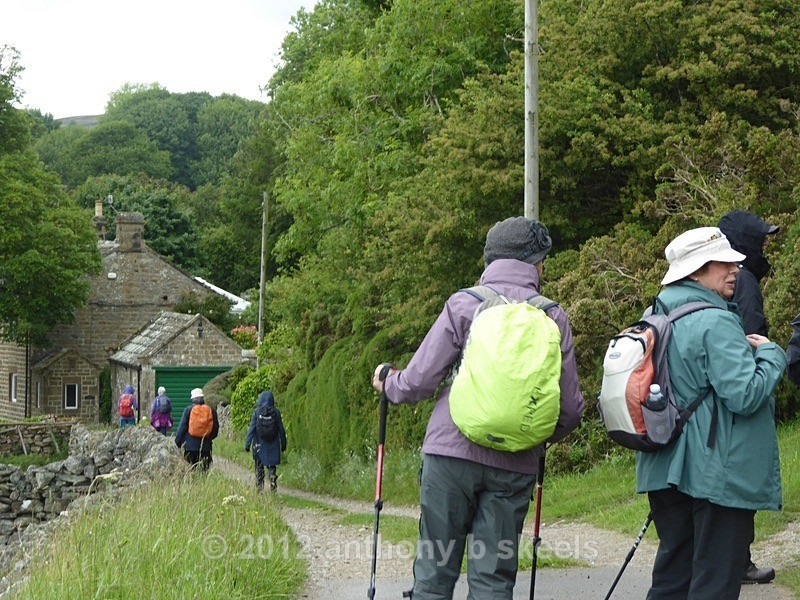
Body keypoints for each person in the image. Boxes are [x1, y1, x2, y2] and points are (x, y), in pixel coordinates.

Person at [372, 216, 584, 599]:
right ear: (538, 264)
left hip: (450, 456)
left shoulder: (465, 304)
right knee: (493, 581)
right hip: (515, 463)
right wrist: (529, 433)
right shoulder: (552, 316)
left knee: (435, 573)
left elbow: (418, 382)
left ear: (488, 260)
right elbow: (569, 410)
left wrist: (388, 383)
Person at [637, 226, 786, 599]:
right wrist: (771, 353)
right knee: (715, 581)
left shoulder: (655, 312)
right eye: (723, 263)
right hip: (716, 473)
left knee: (673, 579)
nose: (734, 269)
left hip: (665, 467)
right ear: (697, 271)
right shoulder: (716, 320)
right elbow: (746, 394)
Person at [718, 209, 780, 584]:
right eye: (759, 240)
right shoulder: (746, 281)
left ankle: (735, 560)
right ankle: (739, 562)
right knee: (742, 474)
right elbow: (752, 334)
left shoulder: (726, 280)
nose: (764, 247)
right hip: (744, 386)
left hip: (727, 387)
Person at [244, 390, 287, 492]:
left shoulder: (256, 412)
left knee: (259, 465)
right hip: (273, 442)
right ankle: (272, 476)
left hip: (259, 442)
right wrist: (283, 443)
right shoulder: (276, 412)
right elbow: (281, 428)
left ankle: (259, 487)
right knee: (271, 463)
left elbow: (252, 428)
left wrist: (247, 443)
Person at [174, 388, 219, 472]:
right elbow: (215, 428)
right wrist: (209, 438)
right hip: (206, 447)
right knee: (204, 472)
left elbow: (182, 427)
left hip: (190, 447)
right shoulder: (211, 410)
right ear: (203, 398)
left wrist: (177, 442)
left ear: (192, 399)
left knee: (191, 471)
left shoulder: (188, 410)